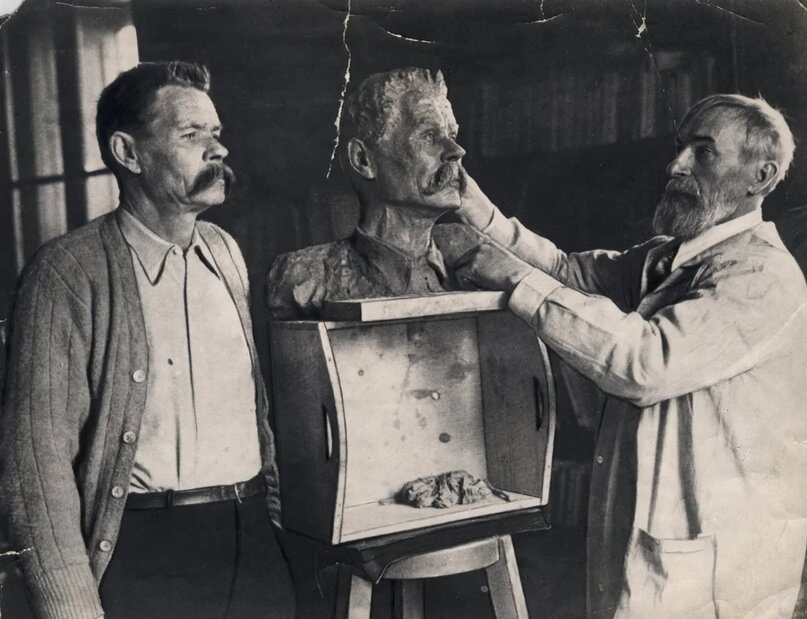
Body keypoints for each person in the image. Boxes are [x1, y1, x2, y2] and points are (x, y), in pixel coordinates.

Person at [453, 94, 807, 618]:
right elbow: (565, 272)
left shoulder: (761, 276)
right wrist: (469, 203)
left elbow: (645, 363)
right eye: (681, 147)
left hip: (720, 566)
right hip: (659, 540)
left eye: (703, 151)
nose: (676, 165)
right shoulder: (672, 258)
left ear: (760, 176)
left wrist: (513, 280)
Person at [0, 61, 294, 619]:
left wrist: (270, 525)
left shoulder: (226, 254)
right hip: (148, 557)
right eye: (191, 134)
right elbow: (34, 471)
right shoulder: (66, 273)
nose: (218, 149)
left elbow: (255, 420)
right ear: (128, 153)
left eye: (216, 133)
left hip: (253, 547)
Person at [266, 66, 468, 318]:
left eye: (452, 135)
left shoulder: (471, 263)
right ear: (363, 160)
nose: (457, 150)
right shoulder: (306, 275)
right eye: (429, 135)